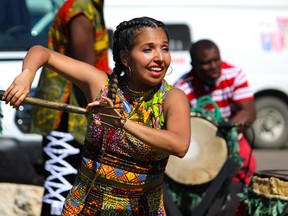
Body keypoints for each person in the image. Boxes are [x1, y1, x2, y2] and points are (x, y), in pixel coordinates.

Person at [3, 16, 191, 215]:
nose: (160, 58)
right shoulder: (101, 85)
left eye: (165, 48)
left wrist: (122, 123)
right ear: (125, 57)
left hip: (141, 210)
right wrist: (26, 75)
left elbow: (179, 145)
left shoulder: (172, 98)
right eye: (148, 49)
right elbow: (41, 53)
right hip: (85, 207)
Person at [29, 0, 110, 215]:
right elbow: (87, 68)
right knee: (61, 189)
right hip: (67, 111)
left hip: (75, 108)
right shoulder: (80, 10)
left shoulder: (89, 7)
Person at [173, 39, 257, 215]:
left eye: (216, 60)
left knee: (245, 194)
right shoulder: (182, 88)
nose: (213, 66)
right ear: (193, 65)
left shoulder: (234, 74)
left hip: (235, 143)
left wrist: (223, 132)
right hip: (201, 152)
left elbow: (248, 111)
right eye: (206, 63)